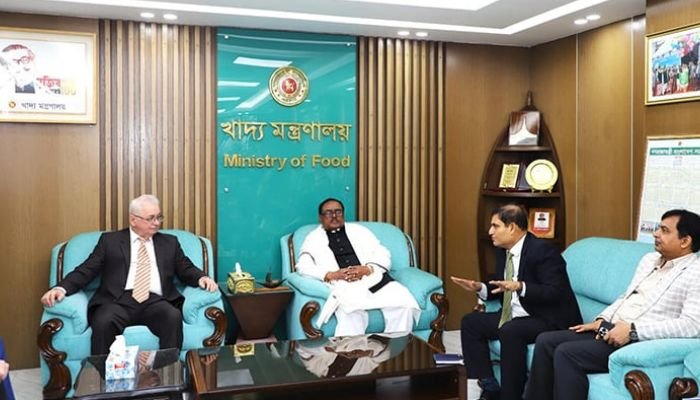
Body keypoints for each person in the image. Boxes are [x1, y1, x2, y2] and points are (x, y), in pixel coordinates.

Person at [524, 209, 700, 400]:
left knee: (567, 353)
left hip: (639, 340)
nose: (656, 234)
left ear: (685, 241)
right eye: (658, 228)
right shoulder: (650, 260)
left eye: (664, 230)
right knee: (546, 341)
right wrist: (602, 319)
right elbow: (626, 296)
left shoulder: (695, 273)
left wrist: (633, 331)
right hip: (611, 328)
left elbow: (692, 325)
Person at [40, 194, 218, 355]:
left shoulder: (169, 243)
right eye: (150, 218)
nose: (156, 223)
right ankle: (103, 376)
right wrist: (61, 288)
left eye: (159, 217)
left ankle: (168, 373)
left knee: (172, 316)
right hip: (117, 301)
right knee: (103, 321)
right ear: (133, 220)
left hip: (155, 301)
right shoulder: (110, 242)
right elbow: (87, 270)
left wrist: (201, 277)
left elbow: (185, 267)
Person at [451, 204, 581, 400]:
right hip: (517, 314)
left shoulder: (543, 251)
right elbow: (502, 286)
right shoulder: (504, 250)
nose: (490, 232)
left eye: (495, 226)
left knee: (510, 330)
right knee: (471, 322)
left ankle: (510, 395)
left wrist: (521, 286)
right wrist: (480, 287)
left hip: (547, 318)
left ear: (511, 227)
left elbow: (555, 291)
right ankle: (489, 385)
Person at [295, 198, 420, 336]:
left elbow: (383, 253)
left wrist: (368, 269)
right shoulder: (313, 238)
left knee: (403, 306)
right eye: (329, 213)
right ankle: (354, 349)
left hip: (372, 279)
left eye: (338, 212)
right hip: (344, 285)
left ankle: (395, 345)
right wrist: (332, 274)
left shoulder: (359, 231)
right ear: (321, 217)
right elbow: (302, 266)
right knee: (351, 314)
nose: (334, 216)